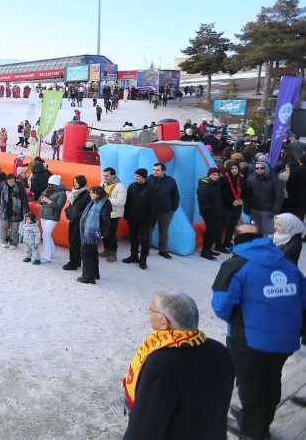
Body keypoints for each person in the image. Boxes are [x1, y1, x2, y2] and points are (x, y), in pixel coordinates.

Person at [212, 222, 306, 440]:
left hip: (250, 340)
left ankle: (254, 431)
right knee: (271, 379)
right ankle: (259, 419)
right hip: (286, 339)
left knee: (250, 383)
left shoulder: (234, 265)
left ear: (235, 240)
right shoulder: (287, 264)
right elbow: (302, 300)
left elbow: (221, 305)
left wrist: (237, 319)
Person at [123, 292, 234, 440]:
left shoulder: (161, 364)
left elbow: (144, 429)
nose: (149, 313)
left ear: (164, 323)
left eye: (151, 310)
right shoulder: (220, 350)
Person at [123, 168, 157, 270]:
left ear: (144, 177)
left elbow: (154, 206)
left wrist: (152, 220)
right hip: (132, 218)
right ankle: (133, 256)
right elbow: (127, 202)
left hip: (145, 220)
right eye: (135, 176)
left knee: (144, 240)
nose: (136, 178)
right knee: (133, 238)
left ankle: (143, 260)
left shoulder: (151, 189)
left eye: (138, 176)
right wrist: (126, 215)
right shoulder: (132, 186)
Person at [77, 185, 111, 284]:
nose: (90, 194)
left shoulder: (104, 203)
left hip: (93, 234)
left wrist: (100, 233)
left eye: (92, 192)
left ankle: (88, 277)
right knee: (92, 254)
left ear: (98, 194)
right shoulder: (94, 202)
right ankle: (94, 274)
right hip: (89, 233)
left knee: (87, 255)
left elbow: (105, 220)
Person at [243, 160, 284, 237]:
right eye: (257, 168)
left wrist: (275, 210)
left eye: (262, 168)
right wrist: (246, 207)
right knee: (256, 231)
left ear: (266, 168)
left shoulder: (275, 180)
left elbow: (279, 196)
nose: (259, 170)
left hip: (268, 211)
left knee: (268, 232)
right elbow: (247, 195)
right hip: (254, 210)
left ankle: (267, 247)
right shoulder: (250, 179)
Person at [147, 163, 179, 259]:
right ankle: (146, 249)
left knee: (164, 231)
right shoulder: (149, 179)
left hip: (165, 211)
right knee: (148, 231)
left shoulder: (171, 181)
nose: (154, 172)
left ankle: (163, 250)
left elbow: (175, 196)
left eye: (157, 170)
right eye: (153, 170)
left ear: (163, 171)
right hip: (151, 211)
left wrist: (173, 209)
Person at [63, 175, 90, 270]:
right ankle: (77, 261)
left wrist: (76, 215)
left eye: (77, 182)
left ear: (82, 183)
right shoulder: (74, 193)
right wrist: (68, 211)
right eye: (74, 182)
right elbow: (72, 205)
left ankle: (73, 263)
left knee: (75, 241)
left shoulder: (86, 194)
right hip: (73, 220)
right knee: (72, 240)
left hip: (79, 222)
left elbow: (86, 210)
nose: (75, 184)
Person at [196, 167, 224, 260]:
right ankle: (205, 251)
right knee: (210, 232)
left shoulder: (216, 184)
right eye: (213, 175)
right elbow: (204, 202)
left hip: (216, 212)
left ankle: (208, 249)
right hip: (209, 213)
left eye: (217, 175)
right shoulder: (204, 186)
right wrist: (213, 213)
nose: (216, 176)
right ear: (209, 175)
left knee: (212, 232)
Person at [38, 175, 66, 263]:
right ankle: (52, 253)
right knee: (47, 235)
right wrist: (42, 200)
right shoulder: (48, 189)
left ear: (56, 185)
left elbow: (59, 206)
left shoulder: (62, 194)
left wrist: (48, 201)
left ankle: (47, 256)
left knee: (45, 235)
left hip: (53, 216)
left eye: (52, 184)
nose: (50, 186)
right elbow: (39, 200)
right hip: (44, 215)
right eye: (49, 184)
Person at [100, 167, 125, 262]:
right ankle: (106, 250)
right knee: (103, 233)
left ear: (113, 175)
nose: (105, 177)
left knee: (111, 234)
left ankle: (113, 253)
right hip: (103, 212)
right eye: (104, 175)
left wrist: (105, 200)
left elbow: (121, 202)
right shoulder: (103, 183)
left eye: (107, 175)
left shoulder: (120, 186)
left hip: (113, 214)